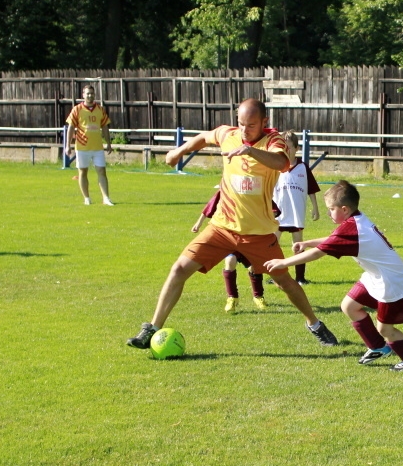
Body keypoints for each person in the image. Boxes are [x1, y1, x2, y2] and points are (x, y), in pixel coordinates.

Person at [126, 99, 338, 350]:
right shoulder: (228, 134)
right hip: (221, 228)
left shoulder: (273, 141)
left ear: (264, 122)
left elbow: (281, 163)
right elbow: (204, 137)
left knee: (284, 282)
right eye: (241, 123)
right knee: (179, 269)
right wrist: (178, 152)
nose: (245, 130)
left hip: (258, 234)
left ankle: (314, 323)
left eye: (251, 125)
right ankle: (152, 327)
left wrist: (249, 151)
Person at [264, 181, 403, 370]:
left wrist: (284, 262)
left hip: (392, 282)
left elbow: (318, 254)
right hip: (376, 277)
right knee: (349, 306)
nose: (328, 213)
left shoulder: (354, 227)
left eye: (331, 209)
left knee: (385, 329)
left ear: (345, 209)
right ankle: (378, 347)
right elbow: (334, 240)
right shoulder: (355, 221)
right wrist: (308, 242)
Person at [191, 187, 267, 312]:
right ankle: (232, 298)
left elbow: (270, 206)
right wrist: (198, 223)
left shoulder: (252, 190)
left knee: (254, 266)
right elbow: (210, 207)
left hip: (248, 237)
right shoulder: (226, 190)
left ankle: (258, 296)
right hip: (229, 237)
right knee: (230, 261)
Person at [271, 131, 321, 285]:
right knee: (272, 244)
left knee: (298, 245)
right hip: (278, 213)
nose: (286, 151)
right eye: (283, 148)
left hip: (296, 212)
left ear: (296, 148)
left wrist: (315, 208)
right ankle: (276, 276)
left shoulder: (303, 168)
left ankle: (300, 277)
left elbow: (311, 189)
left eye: (289, 147)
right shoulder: (275, 167)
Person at [64, 84, 114, 205]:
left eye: (91, 93)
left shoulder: (100, 109)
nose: (90, 96)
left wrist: (108, 143)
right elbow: (71, 127)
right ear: (83, 95)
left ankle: (106, 198)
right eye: (87, 93)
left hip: (97, 147)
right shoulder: (77, 109)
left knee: (102, 171)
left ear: (94, 94)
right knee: (83, 172)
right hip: (82, 147)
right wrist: (67, 145)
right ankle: (87, 198)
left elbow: (105, 127)